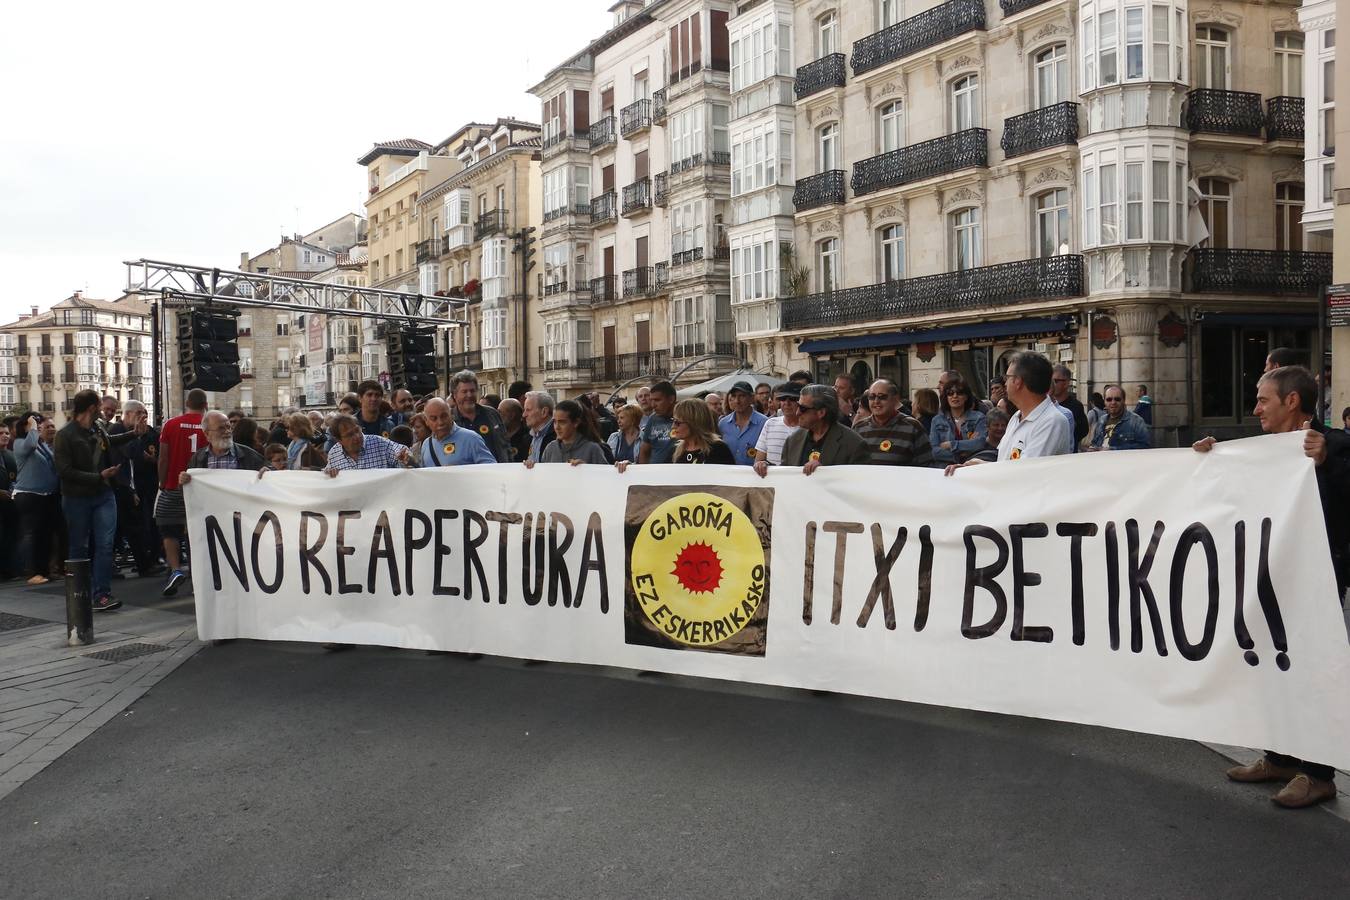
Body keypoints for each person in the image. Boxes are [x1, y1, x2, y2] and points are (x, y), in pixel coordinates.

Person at [1195, 366, 1350, 809]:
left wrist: (1327, 463)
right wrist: (1207, 458)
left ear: (1292, 402)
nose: (1255, 408)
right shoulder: (1262, 449)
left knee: (1312, 671)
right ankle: (1280, 757)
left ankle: (1318, 774)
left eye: (1263, 400)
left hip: (1317, 578)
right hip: (1268, 576)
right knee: (1270, 664)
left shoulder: (1336, 444)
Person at [53, 390, 147, 612]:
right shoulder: (65, 435)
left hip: (103, 494)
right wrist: (99, 476)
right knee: (79, 546)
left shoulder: (97, 428)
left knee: (105, 546)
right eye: (99, 405)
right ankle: (78, 594)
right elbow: (64, 471)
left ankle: (101, 594)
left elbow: (110, 442)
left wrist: (134, 433)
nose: (104, 409)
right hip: (77, 497)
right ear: (91, 408)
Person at [945, 351, 1072, 474]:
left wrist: (984, 468)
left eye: (1007, 377)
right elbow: (1006, 464)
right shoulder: (1016, 418)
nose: (1005, 383)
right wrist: (975, 468)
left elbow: (1025, 473)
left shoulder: (1052, 421)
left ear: (1018, 381)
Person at [156, 388, 208, 597]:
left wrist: (162, 482)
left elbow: (163, 458)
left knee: (168, 529)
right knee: (196, 533)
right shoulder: (208, 425)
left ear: (187, 403)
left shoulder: (171, 424)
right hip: (200, 489)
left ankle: (176, 569)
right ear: (205, 405)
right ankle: (197, 579)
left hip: (173, 486)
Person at [108, 400, 162, 578]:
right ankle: (139, 565)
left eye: (145, 413)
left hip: (135, 485)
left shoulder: (145, 433)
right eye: (139, 413)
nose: (143, 417)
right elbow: (129, 453)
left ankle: (145, 564)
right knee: (125, 528)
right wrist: (136, 436)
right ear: (128, 414)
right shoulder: (116, 431)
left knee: (137, 527)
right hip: (120, 486)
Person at [773, 384, 870, 474]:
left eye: (802, 409)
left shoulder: (853, 444)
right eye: (798, 406)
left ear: (821, 413)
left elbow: (858, 483)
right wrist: (766, 467)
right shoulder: (793, 440)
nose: (797, 413)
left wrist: (824, 472)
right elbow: (784, 475)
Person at [12, 413, 61, 585]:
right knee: (31, 534)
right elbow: (30, 445)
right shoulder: (19, 443)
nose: (38, 426)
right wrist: (32, 427)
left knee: (45, 535)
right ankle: (31, 571)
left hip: (46, 496)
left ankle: (43, 570)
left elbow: (53, 461)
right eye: (35, 423)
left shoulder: (42, 445)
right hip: (28, 495)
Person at [853, 378, 934, 467]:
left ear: (895, 399)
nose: (876, 401)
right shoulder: (858, 428)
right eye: (872, 397)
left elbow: (927, 465)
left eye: (882, 397)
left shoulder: (913, 427)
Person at [178, 411, 266, 481]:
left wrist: (268, 473)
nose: (227, 431)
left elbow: (271, 474)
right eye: (221, 428)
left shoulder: (249, 454)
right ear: (207, 434)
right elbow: (189, 491)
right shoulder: (198, 458)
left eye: (228, 427)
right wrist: (183, 481)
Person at [450, 370, 510, 462]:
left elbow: (505, 445)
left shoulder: (492, 414)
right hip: (465, 474)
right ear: (455, 395)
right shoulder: (449, 419)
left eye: (472, 391)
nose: (469, 395)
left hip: (495, 473)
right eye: (464, 391)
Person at [419, 398, 496, 467]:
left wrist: (460, 472)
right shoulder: (426, 444)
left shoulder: (471, 438)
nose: (440, 422)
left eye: (444, 416)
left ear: (451, 415)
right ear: (426, 421)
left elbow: (491, 469)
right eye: (434, 418)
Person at [532, 400, 611, 466]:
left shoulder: (593, 449)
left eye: (562, 422)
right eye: (555, 422)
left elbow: (605, 478)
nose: (557, 427)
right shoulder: (550, 448)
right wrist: (532, 468)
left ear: (576, 422)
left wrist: (587, 469)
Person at [323, 414, 410, 474]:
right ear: (339, 440)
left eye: (357, 430)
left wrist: (405, 458)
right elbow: (328, 476)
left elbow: (404, 453)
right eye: (349, 435)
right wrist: (330, 474)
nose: (356, 436)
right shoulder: (334, 454)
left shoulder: (380, 443)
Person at [930, 379, 988, 466]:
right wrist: (963, 453)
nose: (955, 396)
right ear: (946, 397)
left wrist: (951, 445)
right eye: (950, 393)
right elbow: (934, 451)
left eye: (959, 393)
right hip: (944, 470)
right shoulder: (937, 420)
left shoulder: (979, 418)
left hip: (971, 468)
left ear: (966, 397)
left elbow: (979, 444)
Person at [752, 383, 803, 472]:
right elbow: (758, 461)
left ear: (801, 402)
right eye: (783, 399)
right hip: (773, 481)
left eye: (792, 399)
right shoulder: (770, 424)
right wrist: (761, 464)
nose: (787, 403)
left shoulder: (809, 427)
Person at [669, 399, 734, 464]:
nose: (673, 426)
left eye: (677, 422)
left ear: (694, 423)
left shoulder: (718, 449)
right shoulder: (675, 450)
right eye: (673, 421)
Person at [717, 381, 767, 466]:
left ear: (751, 398)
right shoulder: (723, 424)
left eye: (742, 396)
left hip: (754, 476)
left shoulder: (764, 423)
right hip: (728, 475)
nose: (737, 401)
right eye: (734, 396)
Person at [1089, 385, 1152, 450]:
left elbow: (1144, 446)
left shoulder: (1136, 421)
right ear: (1104, 401)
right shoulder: (1101, 420)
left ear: (1123, 401)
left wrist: (1114, 449)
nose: (1113, 402)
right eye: (1109, 399)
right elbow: (1095, 443)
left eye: (1117, 399)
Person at [638, 381, 677, 464]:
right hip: (654, 473)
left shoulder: (685, 417)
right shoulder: (653, 419)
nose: (653, 405)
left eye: (657, 400)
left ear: (671, 399)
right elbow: (644, 450)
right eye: (651, 400)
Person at [1051, 364, 1089, 449]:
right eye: (1050, 381)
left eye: (1055, 381)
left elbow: (1083, 431)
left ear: (1066, 383)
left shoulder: (1075, 406)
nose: (1051, 385)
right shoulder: (1046, 405)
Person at [523, 391, 557, 464]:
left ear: (544, 412)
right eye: (524, 410)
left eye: (528, 410)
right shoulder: (528, 437)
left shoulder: (558, 436)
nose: (524, 415)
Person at [498, 398, 531, 463]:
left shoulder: (529, 437)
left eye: (499, 412)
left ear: (512, 415)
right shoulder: (496, 435)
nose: (497, 416)